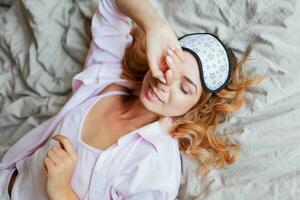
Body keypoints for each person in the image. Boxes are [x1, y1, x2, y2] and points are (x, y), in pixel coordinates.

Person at [0, 0, 264, 199]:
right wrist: (156, 26)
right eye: (169, 62)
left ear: (195, 108)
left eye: (185, 87)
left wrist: (62, 191)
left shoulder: (156, 167)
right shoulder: (109, 76)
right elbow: (110, 5)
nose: (165, 80)